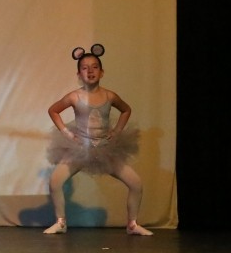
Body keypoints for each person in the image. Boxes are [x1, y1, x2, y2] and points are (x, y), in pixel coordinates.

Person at [43, 44, 153, 236]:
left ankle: (132, 224)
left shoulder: (109, 95)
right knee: (55, 181)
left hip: (104, 148)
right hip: (81, 148)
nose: (90, 71)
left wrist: (117, 131)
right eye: (85, 68)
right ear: (79, 74)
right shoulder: (74, 96)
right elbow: (53, 110)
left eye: (94, 67)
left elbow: (126, 110)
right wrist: (67, 133)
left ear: (102, 72)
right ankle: (61, 222)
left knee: (136, 184)